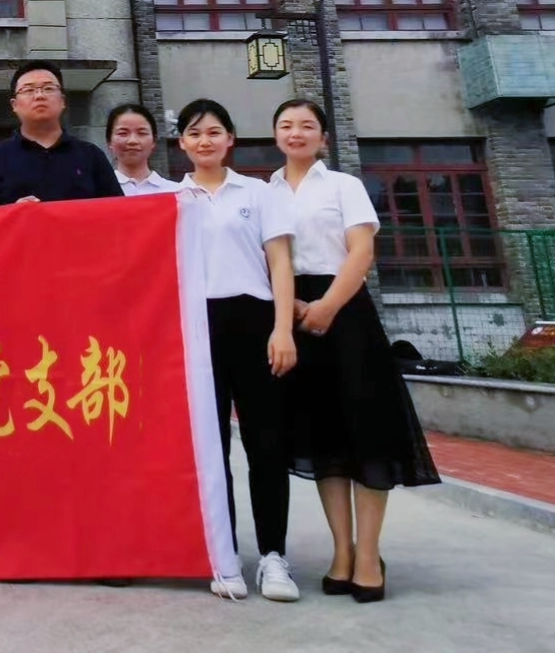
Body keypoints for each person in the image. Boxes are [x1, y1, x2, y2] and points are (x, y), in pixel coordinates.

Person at [269, 98, 439, 604]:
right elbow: (268, 258)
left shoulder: (344, 186)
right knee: (325, 438)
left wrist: (326, 307)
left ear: (323, 137)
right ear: (275, 135)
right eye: (286, 125)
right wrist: (296, 308)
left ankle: (369, 555)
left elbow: (362, 251)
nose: (295, 133)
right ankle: (341, 551)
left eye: (306, 125)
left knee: (367, 432)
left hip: (347, 313)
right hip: (292, 310)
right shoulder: (265, 191)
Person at [175, 98, 300, 604]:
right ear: (181, 143)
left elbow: (281, 263)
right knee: (211, 449)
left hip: (255, 322)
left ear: (230, 139)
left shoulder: (259, 192)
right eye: (194, 133)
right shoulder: (172, 199)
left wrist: (283, 329)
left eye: (213, 132)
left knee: (266, 444)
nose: (204, 141)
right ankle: (222, 555)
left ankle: (273, 556)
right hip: (197, 329)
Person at [0, 61, 122, 206]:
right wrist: (11, 212)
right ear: (14, 105)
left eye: (48, 88)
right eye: (28, 90)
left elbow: (117, 210)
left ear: (62, 101)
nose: (39, 96)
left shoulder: (91, 155)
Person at [107, 102, 181, 196]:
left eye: (142, 133)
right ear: (109, 141)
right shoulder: (97, 194)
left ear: (154, 141)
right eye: (123, 133)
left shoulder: (177, 192)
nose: (132, 141)